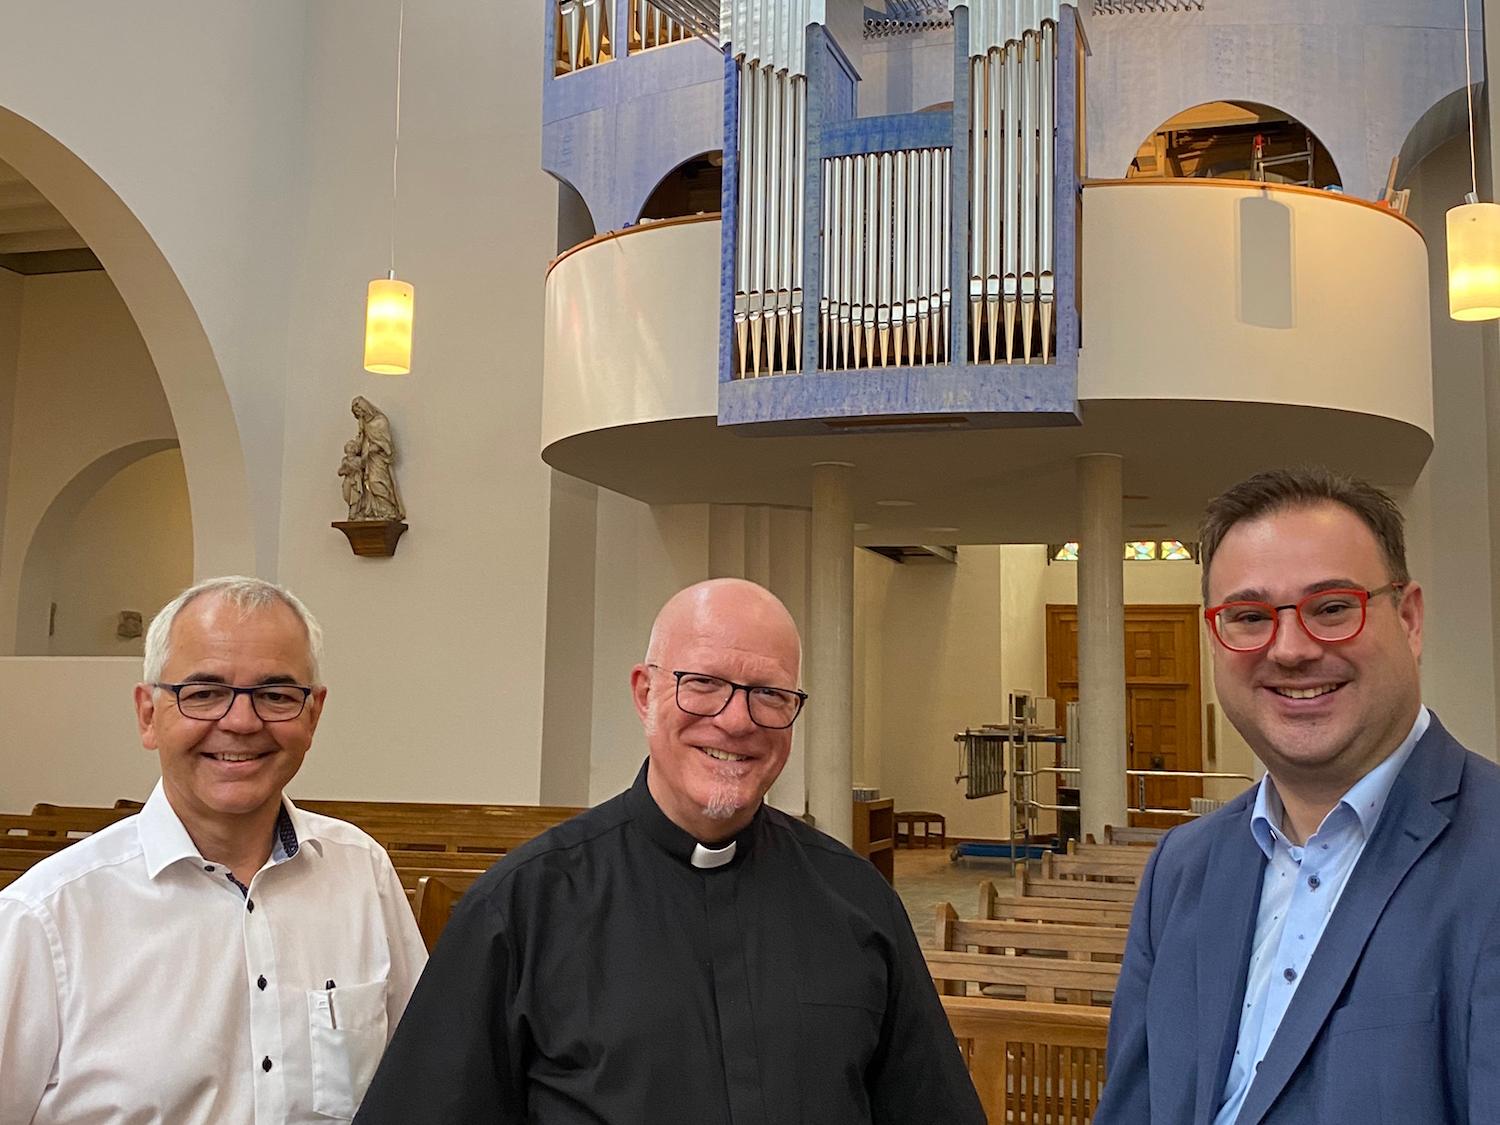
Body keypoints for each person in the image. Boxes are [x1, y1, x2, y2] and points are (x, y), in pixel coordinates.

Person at [354, 578, 984, 1124]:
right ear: (643, 692)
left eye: (770, 694)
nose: (736, 721)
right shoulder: (519, 906)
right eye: (703, 683)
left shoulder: (858, 900)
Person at [1094, 468, 1500, 1124]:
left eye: (1333, 606)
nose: (1289, 648)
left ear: (1411, 619)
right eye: (1250, 616)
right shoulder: (1181, 868)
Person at [0, 577, 428, 1125]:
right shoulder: (45, 918)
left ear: (313, 714)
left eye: (276, 695)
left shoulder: (361, 873)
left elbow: (420, 1082)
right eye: (204, 693)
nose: (242, 722)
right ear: (149, 715)